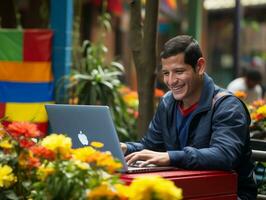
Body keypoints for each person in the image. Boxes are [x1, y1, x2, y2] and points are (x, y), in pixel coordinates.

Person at [121, 35, 257, 199]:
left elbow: (224, 155)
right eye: (166, 73)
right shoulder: (167, 102)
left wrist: (171, 157)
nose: (171, 81)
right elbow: (151, 146)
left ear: (199, 67)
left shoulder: (228, 106)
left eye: (179, 71)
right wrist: (125, 148)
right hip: (188, 191)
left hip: (230, 194)